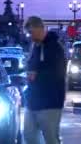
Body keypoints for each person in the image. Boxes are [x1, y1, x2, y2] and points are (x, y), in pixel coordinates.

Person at [23, 16, 66, 144]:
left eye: (31, 32)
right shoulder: (35, 46)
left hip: (50, 102)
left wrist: (36, 75)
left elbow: (58, 73)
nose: (30, 36)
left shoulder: (55, 47)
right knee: (29, 135)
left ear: (40, 28)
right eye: (28, 33)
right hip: (33, 100)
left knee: (51, 138)